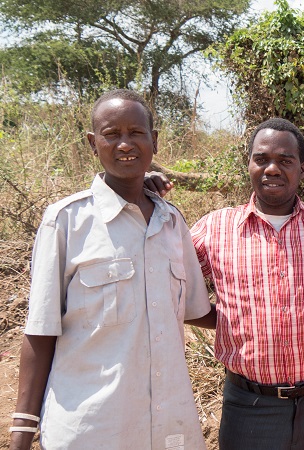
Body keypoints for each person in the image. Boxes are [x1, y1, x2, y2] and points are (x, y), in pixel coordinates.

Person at [10, 89, 215, 450]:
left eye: (136, 133)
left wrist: (266, 317)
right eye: (111, 134)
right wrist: (22, 434)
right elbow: (40, 332)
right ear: (93, 143)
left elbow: (194, 311)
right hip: (91, 430)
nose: (125, 144)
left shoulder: (171, 221)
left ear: (155, 141)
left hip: (169, 429)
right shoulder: (66, 222)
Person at [188, 118, 304, 449]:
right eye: (262, 159)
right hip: (248, 405)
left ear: (302, 169)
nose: (272, 169)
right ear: (249, 164)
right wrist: (225, 320)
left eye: (285, 160)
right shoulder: (215, 229)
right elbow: (164, 284)